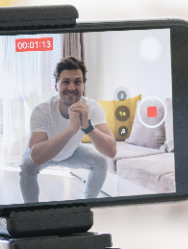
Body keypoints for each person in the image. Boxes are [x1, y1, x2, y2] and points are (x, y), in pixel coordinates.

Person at [19, 57, 117, 203]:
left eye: (77, 82)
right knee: (27, 165)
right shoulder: (42, 111)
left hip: (71, 152)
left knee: (100, 162)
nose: (72, 87)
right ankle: (31, 211)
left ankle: (88, 205)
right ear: (56, 86)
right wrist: (72, 129)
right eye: (66, 82)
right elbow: (37, 157)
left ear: (83, 85)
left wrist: (88, 127)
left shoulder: (92, 107)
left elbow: (111, 151)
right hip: (46, 152)